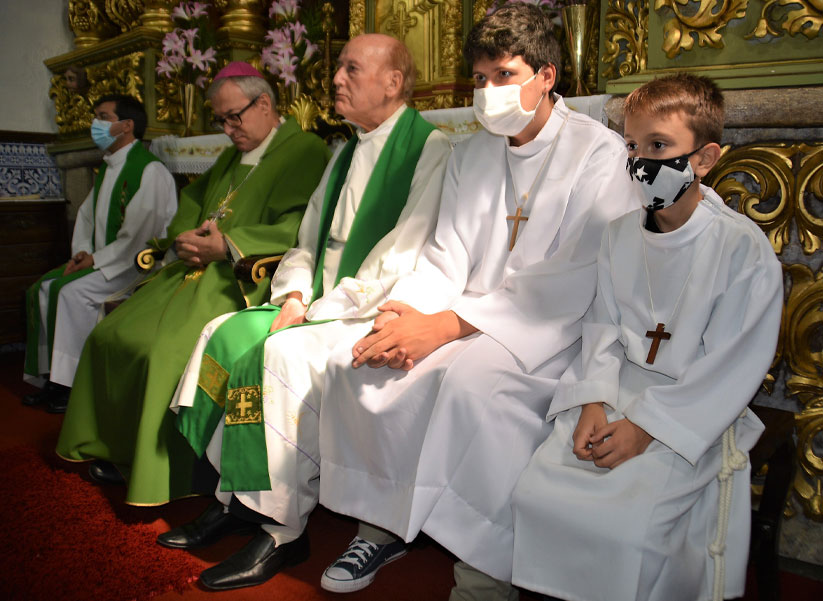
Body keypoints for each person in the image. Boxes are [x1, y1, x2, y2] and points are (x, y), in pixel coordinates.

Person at [317, 5, 637, 599]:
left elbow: (575, 277)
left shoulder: (598, 153)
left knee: (472, 392)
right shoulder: (472, 154)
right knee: (357, 363)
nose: (488, 94)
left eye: (504, 76)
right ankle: (382, 526)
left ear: (547, 75)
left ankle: (483, 572)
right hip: (463, 319)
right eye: (480, 79)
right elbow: (445, 255)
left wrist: (443, 327)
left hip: (546, 332)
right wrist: (401, 315)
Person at [159, 34, 451, 591]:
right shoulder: (343, 152)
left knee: (277, 358)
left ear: (393, 82)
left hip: (370, 309)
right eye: (337, 67)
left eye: (351, 69)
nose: (336, 79)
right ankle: (234, 496)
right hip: (317, 300)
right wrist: (293, 293)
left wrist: (320, 307)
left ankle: (282, 527)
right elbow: (305, 240)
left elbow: (407, 250)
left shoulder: (431, 148)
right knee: (223, 333)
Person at [511, 74, 783, 601]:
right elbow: (602, 328)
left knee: (626, 526)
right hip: (616, 390)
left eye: (659, 146)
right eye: (632, 146)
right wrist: (592, 399)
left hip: (689, 407)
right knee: (536, 496)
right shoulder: (618, 235)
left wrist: (646, 429)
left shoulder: (741, 250)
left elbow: (734, 363)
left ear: (704, 159)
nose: (640, 161)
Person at [55, 62, 329, 505]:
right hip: (195, 270)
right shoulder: (232, 153)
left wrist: (230, 246)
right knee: (111, 333)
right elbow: (194, 200)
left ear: (264, 104)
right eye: (220, 120)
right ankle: (122, 449)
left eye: (233, 117)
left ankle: (169, 471)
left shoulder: (305, 150)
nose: (226, 129)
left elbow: (301, 225)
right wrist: (184, 238)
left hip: (247, 276)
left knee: (163, 350)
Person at [24, 94, 176, 413]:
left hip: (135, 266)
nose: (97, 124)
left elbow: (141, 235)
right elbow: (87, 215)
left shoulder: (149, 171)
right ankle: (52, 377)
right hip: (105, 260)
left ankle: (72, 386)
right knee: (43, 289)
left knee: (70, 294)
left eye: (104, 117)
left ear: (127, 125)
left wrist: (97, 260)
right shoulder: (108, 169)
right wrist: (82, 252)